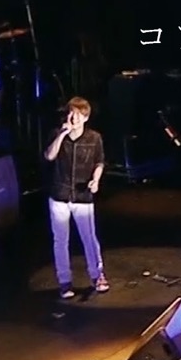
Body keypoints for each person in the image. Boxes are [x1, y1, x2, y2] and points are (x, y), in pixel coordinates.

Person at [43, 96, 108, 299]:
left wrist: (95, 180)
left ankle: (97, 276)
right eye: (71, 113)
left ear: (86, 117)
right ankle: (64, 281)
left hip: (82, 195)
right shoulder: (57, 134)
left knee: (89, 238)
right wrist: (62, 134)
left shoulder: (94, 138)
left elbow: (99, 162)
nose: (74, 118)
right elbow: (49, 156)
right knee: (60, 240)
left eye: (79, 114)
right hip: (60, 194)